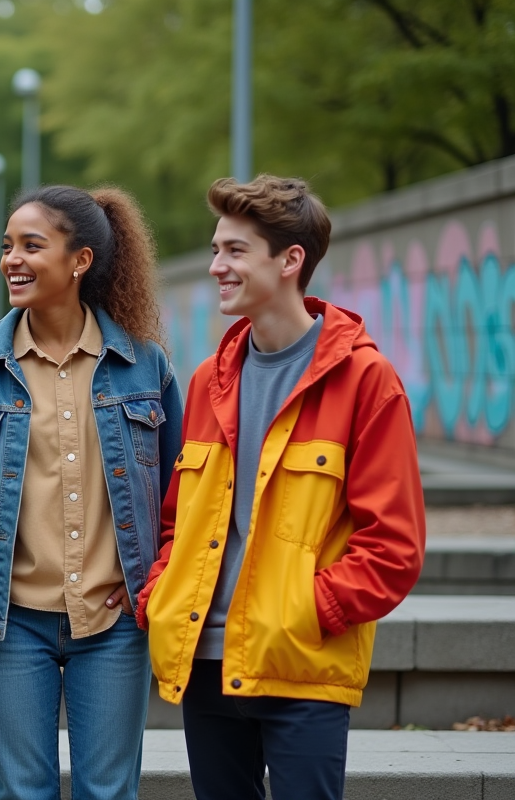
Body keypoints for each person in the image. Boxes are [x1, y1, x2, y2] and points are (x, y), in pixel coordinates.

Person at [136, 175, 426, 800]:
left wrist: (303, 612)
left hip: (301, 668)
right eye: (217, 250)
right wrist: (161, 593)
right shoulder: (209, 379)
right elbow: (177, 522)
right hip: (205, 665)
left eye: (235, 251)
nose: (217, 266)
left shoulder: (364, 380)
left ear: (290, 261)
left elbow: (393, 547)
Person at [0, 185, 183, 800]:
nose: (12, 258)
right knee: (18, 793)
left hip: (115, 624)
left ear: (80, 260)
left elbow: (182, 498)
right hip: (9, 625)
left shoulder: (146, 368)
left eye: (32, 245)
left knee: (109, 792)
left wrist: (155, 583)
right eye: (7, 246)